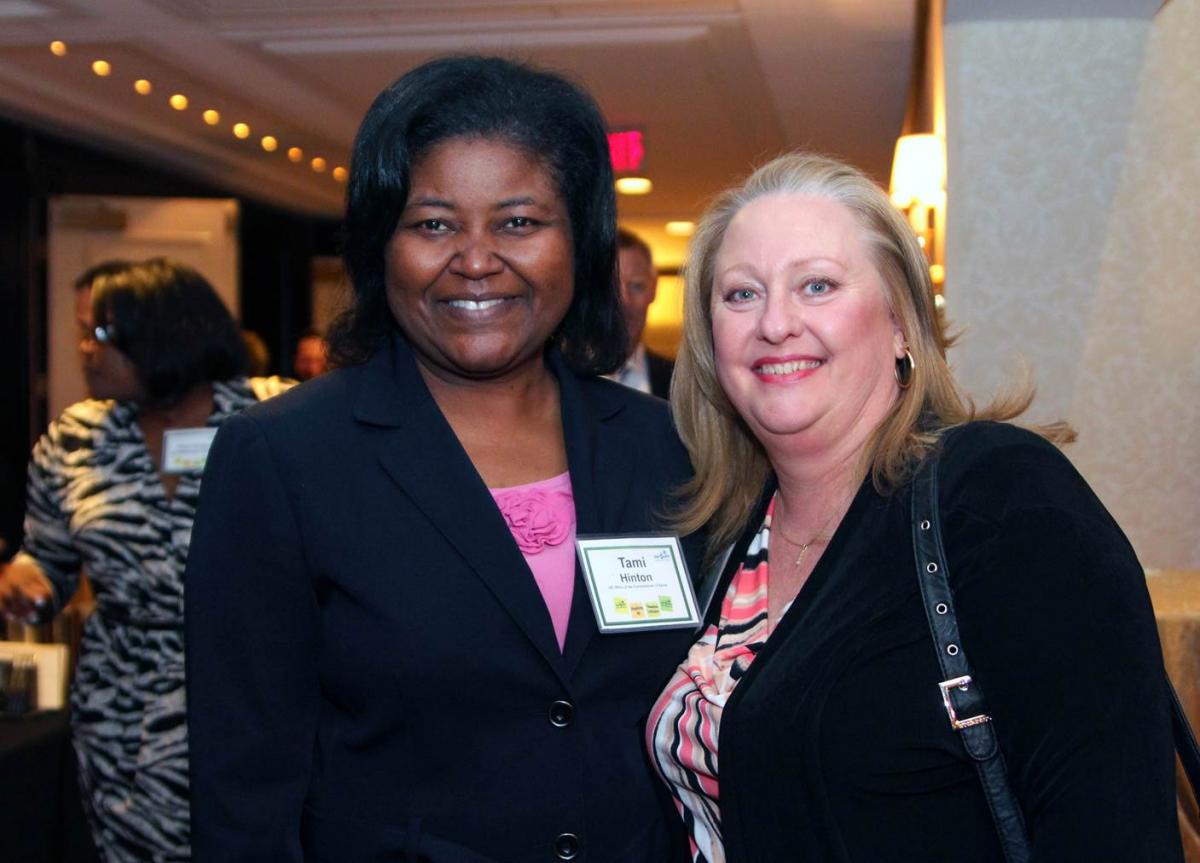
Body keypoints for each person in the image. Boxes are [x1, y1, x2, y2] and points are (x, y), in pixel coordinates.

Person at [184, 55, 703, 862]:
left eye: (519, 222)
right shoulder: (283, 457)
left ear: (581, 243)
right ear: (380, 247)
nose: (475, 258)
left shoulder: (667, 445)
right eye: (433, 223)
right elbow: (244, 783)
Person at [646, 152, 1183, 862]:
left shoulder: (998, 498)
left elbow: (1114, 822)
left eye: (817, 285)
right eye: (741, 294)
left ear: (902, 323)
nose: (775, 323)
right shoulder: (723, 543)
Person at [0, 258, 290, 862]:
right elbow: (48, 559)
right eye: (83, 331)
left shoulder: (275, 420)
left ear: (168, 333)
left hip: (245, 690)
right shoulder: (76, 437)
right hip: (118, 704)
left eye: (100, 334)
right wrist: (28, 581)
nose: (84, 350)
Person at [608, 227, 674, 398]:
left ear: (654, 289)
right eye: (609, 287)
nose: (624, 300)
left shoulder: (682, 382)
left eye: (636, 286)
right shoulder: (551, 380)